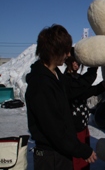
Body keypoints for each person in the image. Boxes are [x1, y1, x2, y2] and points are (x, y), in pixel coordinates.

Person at [25, 24, 97, 169]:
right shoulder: (40, 84)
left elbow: (74, 88)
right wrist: (81, 149)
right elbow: (54, 130)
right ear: (55, 51)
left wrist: (94, 69)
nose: (68, 55)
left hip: (62, 152)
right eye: (65, 51)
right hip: (50, 157)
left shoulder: (55, 74)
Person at [64, 55, 105, 170]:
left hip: (82, 125)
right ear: (68, 62)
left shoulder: (77, 77)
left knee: (84, 158)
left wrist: (102, 86)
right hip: (74, 127)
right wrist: (94, 68)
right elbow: (81, 92)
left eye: (78, 62)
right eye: (74, 62)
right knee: (76, 160)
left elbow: (86, 92)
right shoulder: (66, 80)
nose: (76, 65)